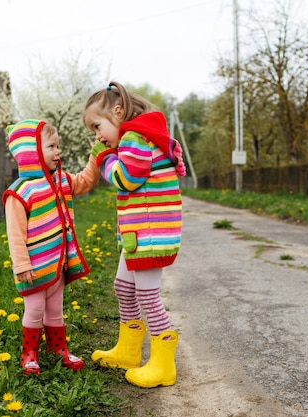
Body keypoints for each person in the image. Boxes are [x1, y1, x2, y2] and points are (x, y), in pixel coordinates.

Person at [83, 81, 186, 388]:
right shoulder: (135, 138)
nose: (98, 136)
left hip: (150, 235)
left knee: (146, 295)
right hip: (139, 234)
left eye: (97, 126)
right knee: (123, 287)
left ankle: (163, 364)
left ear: (118, 111)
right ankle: (128, 351)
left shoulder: (135, 138)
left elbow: (126, 178)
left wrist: (104, 157)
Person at [3, 119, 99, 375]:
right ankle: (29, 354)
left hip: (56, 265)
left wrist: (96, 156)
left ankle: (57, 350)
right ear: (32, 151)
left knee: (55, 310)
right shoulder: (20, 192)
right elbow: (15, 234)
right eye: (52, 146)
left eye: (58, 146)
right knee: (34, 311)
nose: (58, 152)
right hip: (34, 268)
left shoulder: (61, 181)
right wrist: (21, 265)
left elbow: (86, 181)